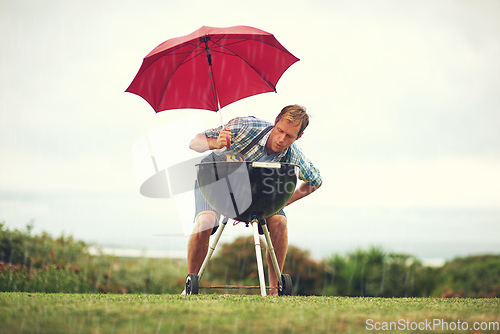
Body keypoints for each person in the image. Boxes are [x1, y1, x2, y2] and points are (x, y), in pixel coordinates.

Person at [187, 104, 322, 295]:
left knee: (280, 222)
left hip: (257, 192)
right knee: (205, 221)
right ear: (275, 121)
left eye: (289, 136)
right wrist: (215, 144)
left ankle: (275, 291)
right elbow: (195, 142)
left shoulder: (294, 155)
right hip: (215, 180)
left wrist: (283, 203)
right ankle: (190, 285)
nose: (282, 139)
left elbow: (315, 181)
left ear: (298, 137)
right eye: (280, 131)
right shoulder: (245, 127)